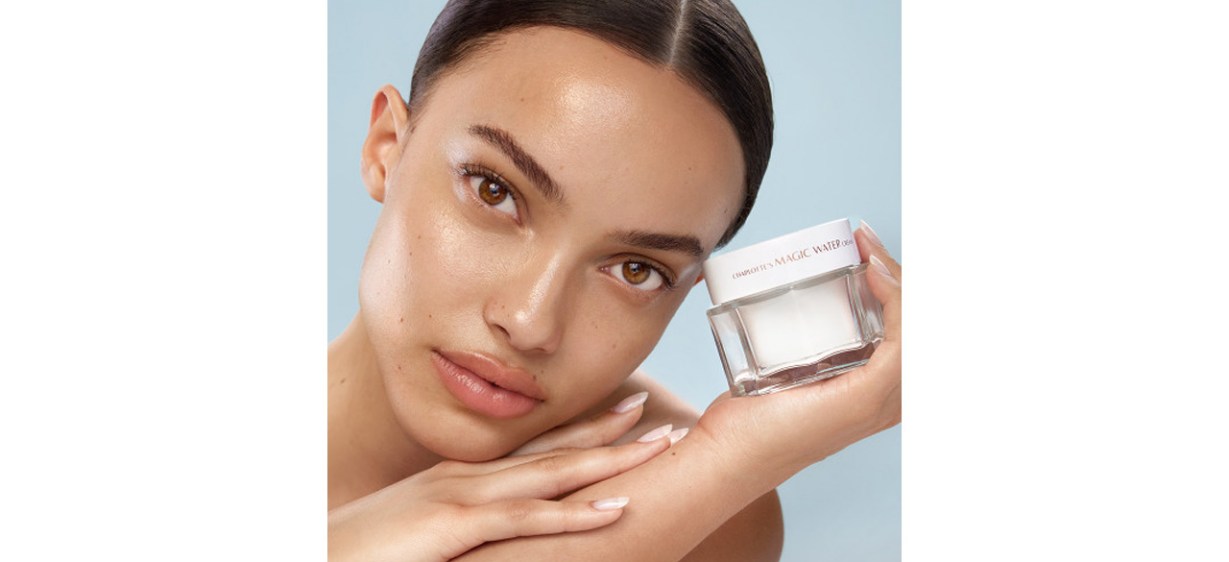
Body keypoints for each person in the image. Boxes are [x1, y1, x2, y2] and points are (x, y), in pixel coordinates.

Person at [327, 0, 902, 560]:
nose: (531, 322)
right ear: (386, 150)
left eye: (636, 270)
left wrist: (738, 457)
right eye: (494, 191)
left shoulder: (706, 511)